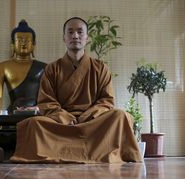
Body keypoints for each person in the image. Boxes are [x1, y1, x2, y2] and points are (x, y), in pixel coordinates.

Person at [10, 17, 142, 163]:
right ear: (64, 38)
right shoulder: (52, 69)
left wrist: (88, 116)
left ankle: (67, 151)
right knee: (33, 123)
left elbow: (106, 100)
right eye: (70, 32)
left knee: (120, 116)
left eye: (80, 32)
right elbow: (46, 101)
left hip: (93, 123)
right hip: (61, 125)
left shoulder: (100, 68)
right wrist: (66, 118)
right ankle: (89, 151)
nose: (75, 36)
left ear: (86, 38)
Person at [0, 20, 46, 115]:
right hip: (13, 114)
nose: (23, 43)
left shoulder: (44, 67)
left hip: (36, 113)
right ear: (12, 44)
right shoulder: (2, 67)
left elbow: (50, 98)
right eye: (19, 40)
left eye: (27, 40)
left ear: (34, 45)